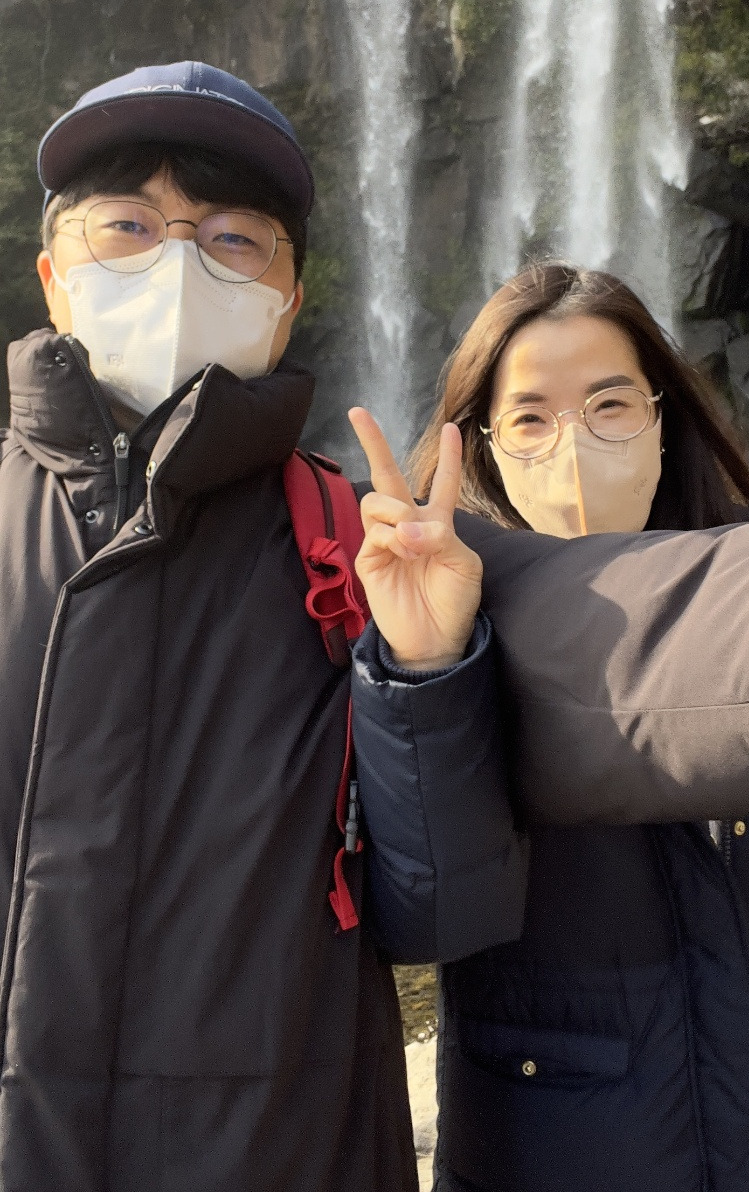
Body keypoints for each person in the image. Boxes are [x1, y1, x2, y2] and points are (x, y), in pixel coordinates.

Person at [0, 60, 529, 1191]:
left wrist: (428, 670)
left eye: (233, 239)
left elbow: (439, 911)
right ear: (54, 279)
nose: (178, 263)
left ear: (288, 302)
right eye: (129, 225)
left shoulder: (356, 545)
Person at [349, 262, 749, 1192]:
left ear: (661, 418)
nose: (575, 444)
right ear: (484, 447)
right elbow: (429, 915)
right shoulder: (435, 626)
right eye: (531, 419)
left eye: (610, 405)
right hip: (554, 1155)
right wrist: (431, 669)